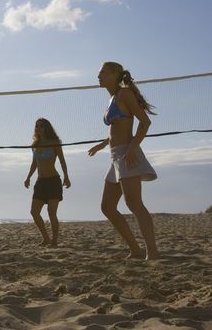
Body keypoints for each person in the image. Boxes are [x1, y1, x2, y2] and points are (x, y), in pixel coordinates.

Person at [87, 61, 159, 260]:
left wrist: (132, 149)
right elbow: (116, 129)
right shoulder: (112, 98)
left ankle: (152, 252)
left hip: (128, 153)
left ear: (115, 75)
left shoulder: (124, 93)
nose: (98, 76)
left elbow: (145, 122)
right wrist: (101, 145)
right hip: (115, 156)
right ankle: (135, 249)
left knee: (134, 203)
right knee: (107, 207)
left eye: (103, 72)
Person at [24, 118, 71, 247]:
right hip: (40, 182)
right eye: (37, 126)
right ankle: (46, 238)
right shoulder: (35, 145)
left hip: (53, 181)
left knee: (52, 213)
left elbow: (62, 160)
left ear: (47, 128)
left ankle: (54, 241)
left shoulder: (55, 142)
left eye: (41, 126)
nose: (38, 129)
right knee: (34, 212)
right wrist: (28, 177)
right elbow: (34, 163)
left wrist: (66, 176)